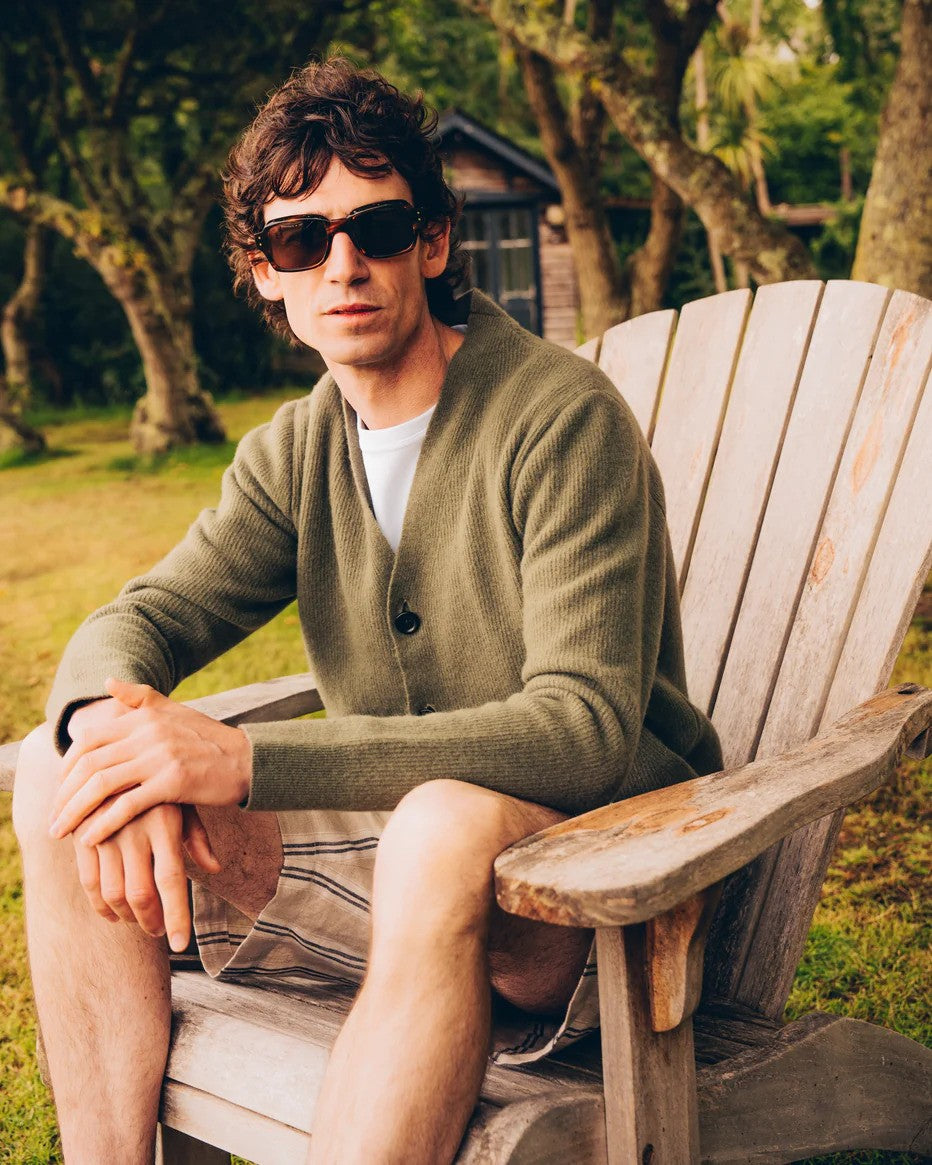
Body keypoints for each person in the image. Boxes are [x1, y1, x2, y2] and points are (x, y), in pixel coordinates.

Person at [13, 58, 722, 1164]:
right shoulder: (298, 451)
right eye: (302, 239)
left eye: (376, 229)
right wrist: (106, 742)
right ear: (265, 273)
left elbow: (581, 730)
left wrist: (244, 762)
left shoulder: (559, 420)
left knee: (438, 825)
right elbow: (139, 618)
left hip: (600, 896)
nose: (341, 264)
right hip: (389, 874)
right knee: (58, 775)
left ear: (430, 243)